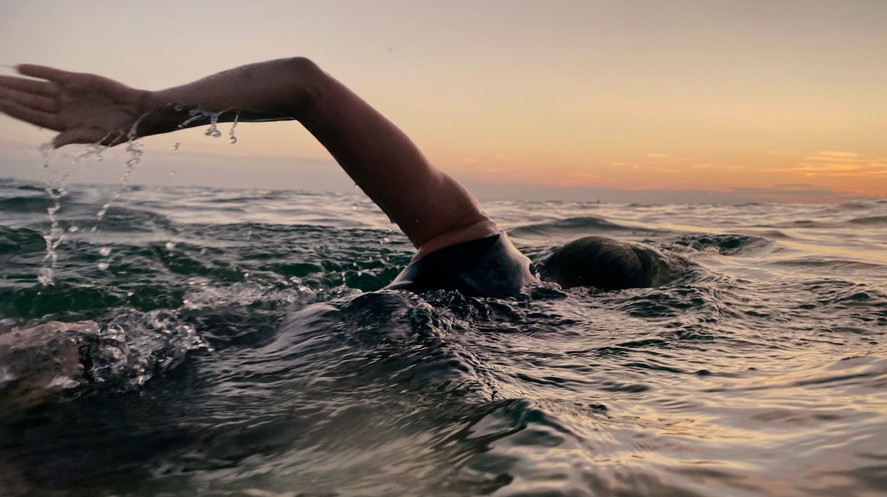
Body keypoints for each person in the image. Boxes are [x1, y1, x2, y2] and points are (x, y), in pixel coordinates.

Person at [0, 57, 682, 297]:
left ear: (547, 257)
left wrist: (147, 112)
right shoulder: (538, 325)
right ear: (604, 301)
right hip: (273, 419)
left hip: (236, 360)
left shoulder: (474, 250)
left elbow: (301, 83)